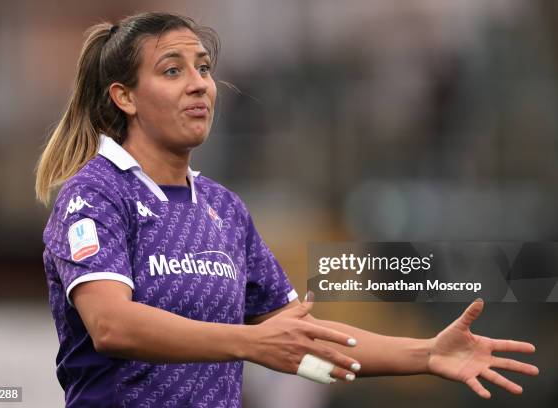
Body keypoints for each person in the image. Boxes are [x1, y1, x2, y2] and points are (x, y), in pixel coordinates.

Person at [35, 12, 539, 408]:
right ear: (124, 97)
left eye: (204, 68)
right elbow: (112, 326)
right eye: (172, 70)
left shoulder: (223, 210)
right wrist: (250, 343)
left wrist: (426, 353)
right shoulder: (96, 194)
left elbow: (301, 340)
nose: (199, 84)